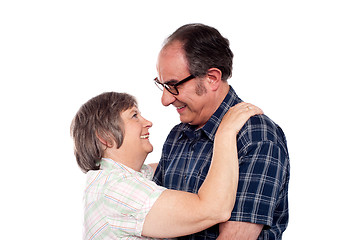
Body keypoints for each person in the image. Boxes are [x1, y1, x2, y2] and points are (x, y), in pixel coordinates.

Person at [153, 23, 290, 240]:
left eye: (173, 85)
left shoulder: (258, 136)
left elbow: (237, 237)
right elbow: (155, 221)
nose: (165, 99)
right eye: (162, 86)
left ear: (212, 78)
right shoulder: (177, 136)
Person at [70, 91, 262, 239]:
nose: (148, 122)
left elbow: (166, 166)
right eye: (134, 116)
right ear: (105, 136)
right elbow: (214, 210)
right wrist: (225, 132)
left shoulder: (115, 179)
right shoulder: (117, 190)